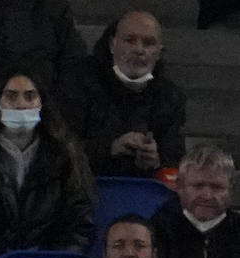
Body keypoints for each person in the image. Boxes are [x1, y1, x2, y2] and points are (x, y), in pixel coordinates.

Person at [0, 70, 95, 258]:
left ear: (41, 103)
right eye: (11, 96)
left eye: (30, 96)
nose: (21, 104)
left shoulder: (64, 154)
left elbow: (78, 221)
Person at [60, 11, 185, 178]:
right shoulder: (77, 82)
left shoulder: (171, 97)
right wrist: (112, 148)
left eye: (148, 43)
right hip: (83, 184)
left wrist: (155, 160)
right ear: (112, 45)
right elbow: (60, 149)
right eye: (130, 40)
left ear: (159, 52)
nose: (139, 50)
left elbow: (175, 159)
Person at [148, 146, 240, 258]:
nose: (207, 195)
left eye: (216, 187)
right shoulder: (156, 230)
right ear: (179, 186)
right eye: (198, 186)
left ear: (231, 190)